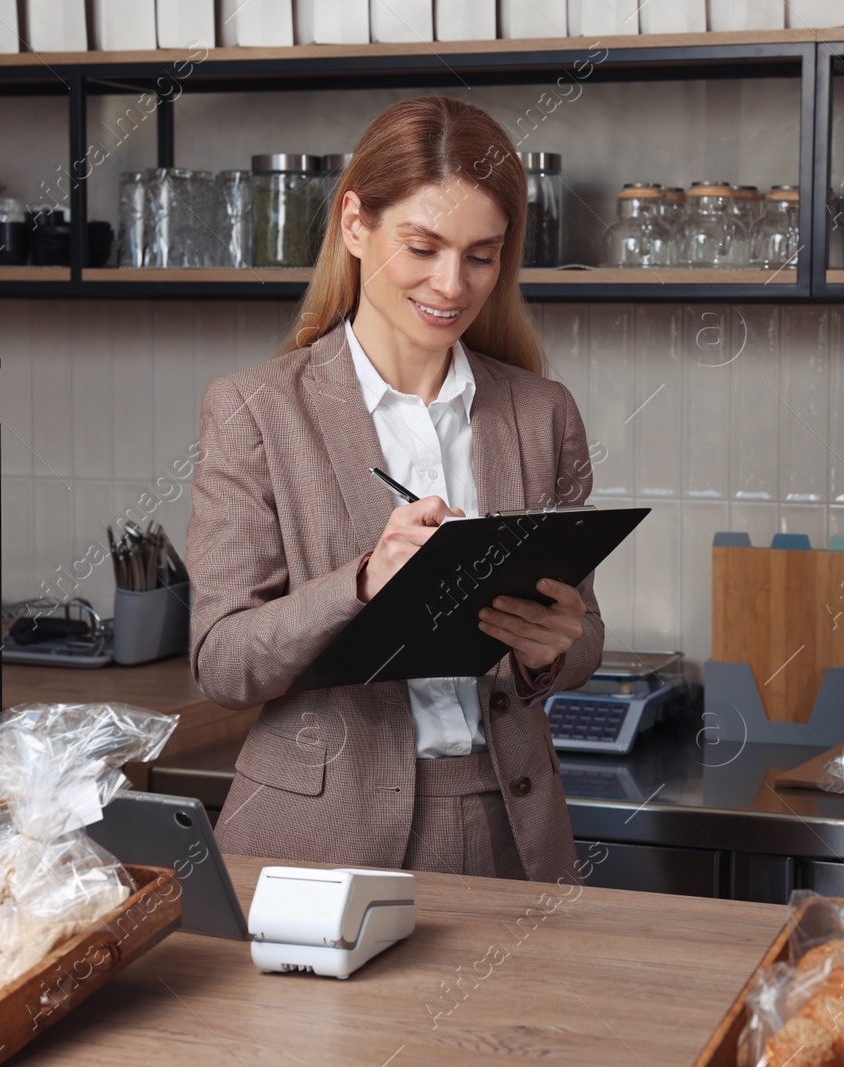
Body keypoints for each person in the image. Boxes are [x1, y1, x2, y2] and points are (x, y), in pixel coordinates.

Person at [187, 96, 604, 883]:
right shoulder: (254, 410)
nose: (452, 284)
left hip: (514, 830)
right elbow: (221, 660)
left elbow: (582, 631)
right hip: (319, 841)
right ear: (354, 224)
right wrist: (364, 581)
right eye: (423, 246)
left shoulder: (544, 414)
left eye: (481, 256)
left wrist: (556, 650)